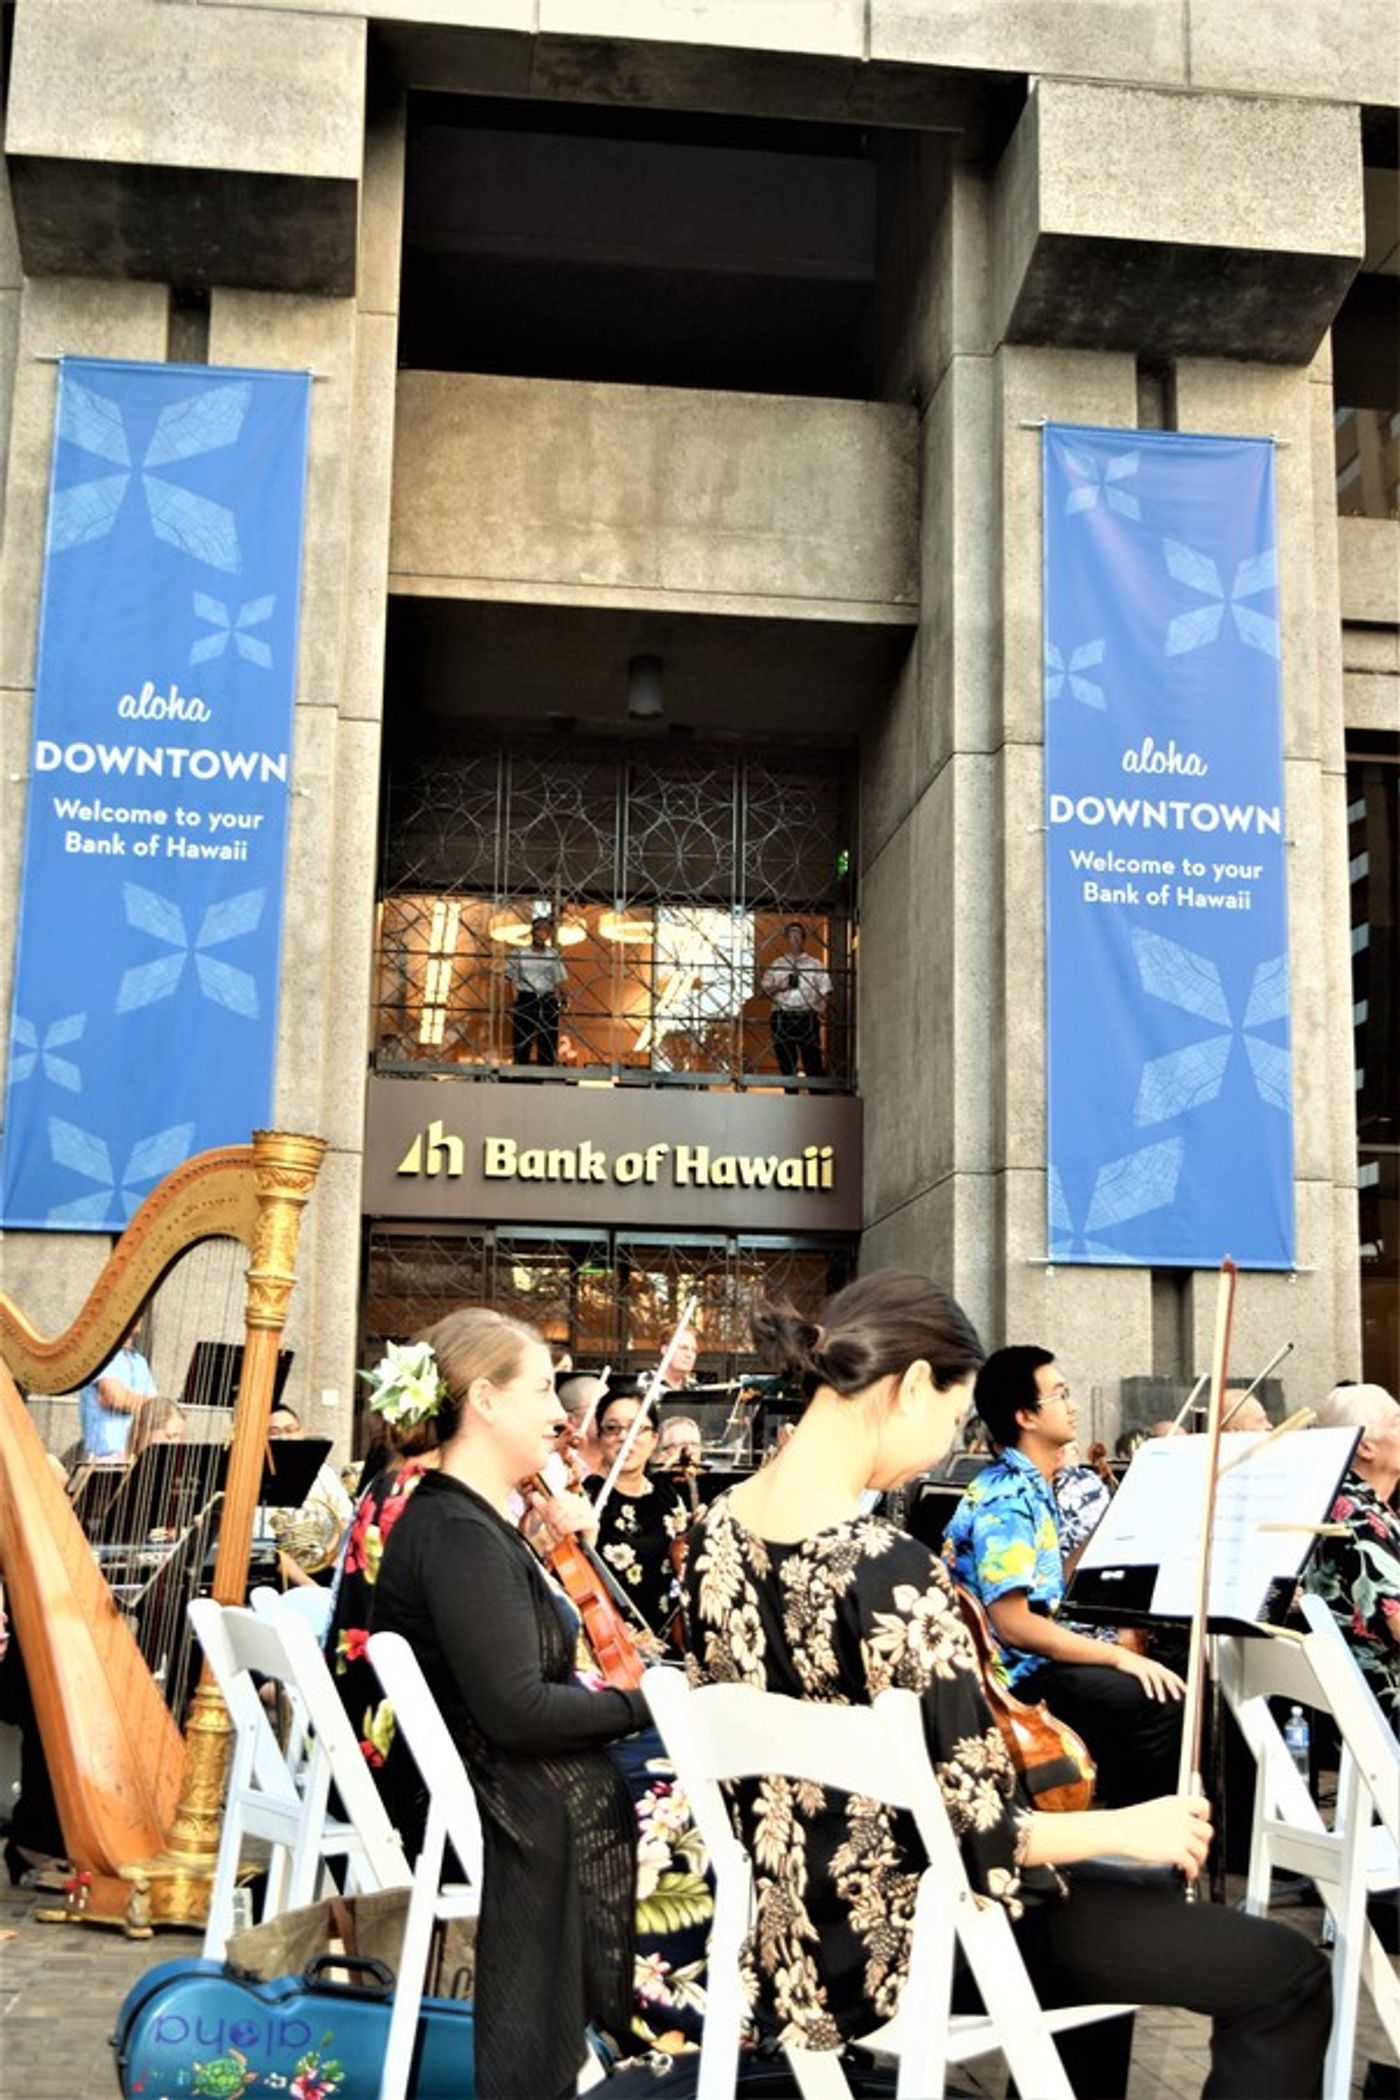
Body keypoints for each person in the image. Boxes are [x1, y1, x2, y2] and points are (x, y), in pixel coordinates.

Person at [683, 1271, 1331, 2098]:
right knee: (1284, 1973)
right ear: (913, 1384)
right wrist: (1136, 1826)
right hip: (919, 1937)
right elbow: (983, 1837)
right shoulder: (890, 1570)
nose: (947, 1442)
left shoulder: (715, 1532)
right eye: (953, 1417)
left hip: (794, 1932)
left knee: (1138, 1906)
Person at [369, 1309, 649, 2100]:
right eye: (541, 1390)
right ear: (485, 1402)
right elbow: (519, 1710)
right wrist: (646, 1704)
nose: (561, 1414)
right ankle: (665, 2047)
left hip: (499, 1782)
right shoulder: (457, 1533)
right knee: (709, 1813)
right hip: (499, 1801)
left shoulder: (472, 1519)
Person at [944, 1345, 1184, 1806]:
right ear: (1026, 1417)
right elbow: (1014, 1623)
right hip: (1011, 1677)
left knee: (1164, 1680)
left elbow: (1049, 1590)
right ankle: (1141, 1849)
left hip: (1030, 1661)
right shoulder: (1008, 1498)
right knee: (1158, 1701)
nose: (1072, 1405)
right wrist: (1117, 1657)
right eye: (1060, 1394)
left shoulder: (1032, 1484)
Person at [1304, 1382, 1400, 1739]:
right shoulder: (1358, 1516)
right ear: (1364, 1446)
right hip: (1382, 1700)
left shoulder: (1348, 1499)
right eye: (1398, 1420)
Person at [592, 1390, 690, 1651]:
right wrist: (626, 1640)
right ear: (600, 1437)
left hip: (671, 1641)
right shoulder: (587, 1499)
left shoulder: (667, 1495)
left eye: (637, 1428)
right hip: (615, 1647)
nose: (624, 1437)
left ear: (654, 1438)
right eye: (612, 1428)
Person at [761, 921, 831, 1083]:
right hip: (782, 1017)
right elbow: (763, 991)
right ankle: (791, 1097)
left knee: (812, 1061)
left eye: (798, 933)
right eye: (791, 934)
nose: (795, 937)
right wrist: (780, 985)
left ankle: (816, 1098)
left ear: (804, 938)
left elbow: (825, 990)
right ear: (787, 938)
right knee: (786, 1061)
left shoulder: (815, 964)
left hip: (807, 1016)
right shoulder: (778, 964)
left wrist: (821, 1009)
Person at [75, 1320, 156, 1459]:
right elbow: (116, 1398)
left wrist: (134, 1401)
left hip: (133, 1457)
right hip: (103, 1458)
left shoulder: (139, 1361)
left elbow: (155, 1408)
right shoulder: (98, 1355)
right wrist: (144, 1403)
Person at [504, 913, 567, 1066]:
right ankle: (520, 1071)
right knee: (522, 1037)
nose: (542, 934)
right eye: (539, 930)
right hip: (526, 997)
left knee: (547, 1038)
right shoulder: (519, 953)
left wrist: (562, 1000)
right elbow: (509, 978)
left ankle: (546, 1070)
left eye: (546, 930)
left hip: (547, 998)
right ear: (533, 932)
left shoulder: (553, 954)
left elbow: (559, 980)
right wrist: (512, 1000)